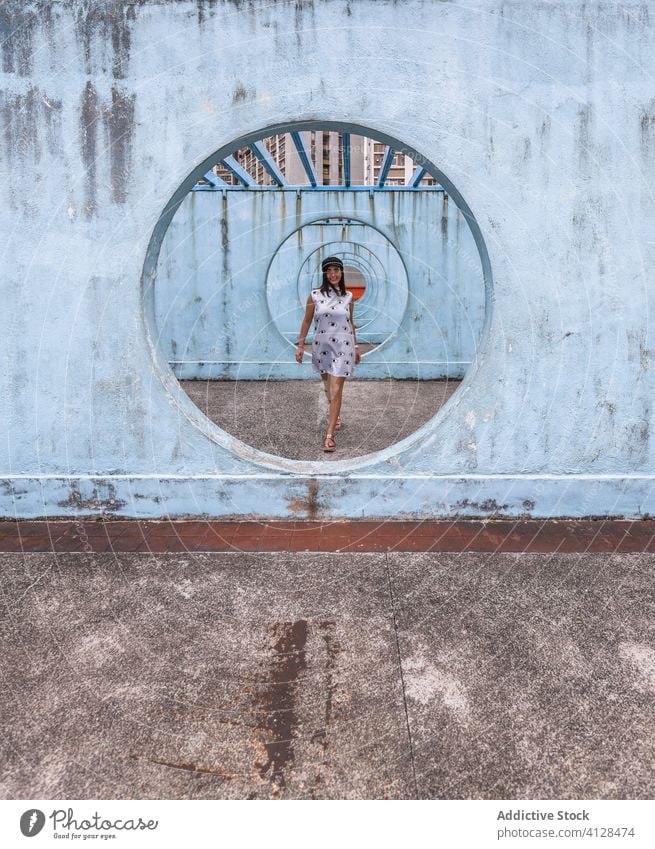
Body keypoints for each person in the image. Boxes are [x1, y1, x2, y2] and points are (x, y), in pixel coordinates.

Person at [295, 256, 361, 452]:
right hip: (322, 347)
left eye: (336, 270)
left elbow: (351, 323)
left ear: (341, 272)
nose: (333, 274)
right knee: (327, 386)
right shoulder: (314, 296)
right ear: (325, 274)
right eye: (329, 270)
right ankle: (336, 416)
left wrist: (356, 347)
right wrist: (300, 346)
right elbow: (306, 321)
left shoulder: (348, 296)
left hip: (344, 348)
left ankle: (329, 435)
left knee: (336, 389)